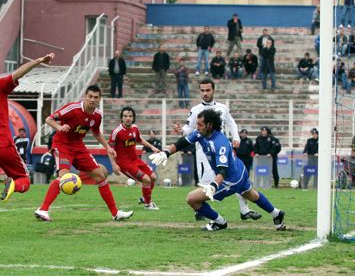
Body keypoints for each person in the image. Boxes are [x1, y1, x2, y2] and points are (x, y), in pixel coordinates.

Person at [151, 110, 285, 231]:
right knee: (251, 195)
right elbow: (182, 143)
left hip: (230, 179)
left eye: (200, 124)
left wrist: (213, 186)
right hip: (239, 169)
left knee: (192, 199)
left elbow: (222, 171)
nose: (197, 127)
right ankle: (276, 214)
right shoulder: (201, 133)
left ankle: (220, 222)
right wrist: (165, 153)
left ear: (209, 125)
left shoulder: (219, 143)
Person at [0, 53, 55, 238]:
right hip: (3, 145)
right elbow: (18, 74)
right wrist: (39, 60)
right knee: (24, 180)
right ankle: (13, 185)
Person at [34, 85, 133, 222]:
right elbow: (49, 119)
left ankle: (115, 213)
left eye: (95, 97)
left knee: (100, 175)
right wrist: (59, 127)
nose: (92, 100)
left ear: (99, 99)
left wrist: (107, 147)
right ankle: (43, 210)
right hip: (62, 144)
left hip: (78, 146)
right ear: (85, 97)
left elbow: (96, 132)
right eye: (90, 96)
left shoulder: (97, 115)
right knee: (63, 175)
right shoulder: (73, 109)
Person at [172, 78, 261, 221]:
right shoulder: (195, 110)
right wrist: (181, 130)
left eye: (208, 90)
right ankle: (205, 212)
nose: (205, 93)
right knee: (207, 184)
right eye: (202, 90)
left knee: (234, 176)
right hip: (203, 152)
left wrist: (236, 137)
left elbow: (231, 122)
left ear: (213, 90)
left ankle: (244, 210)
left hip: (222, 149)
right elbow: (189, 129)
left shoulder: (222, 108)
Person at [108, 107, 160, 210]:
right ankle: (148, 204)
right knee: (146, 179)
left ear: (133, 118)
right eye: (125, 116)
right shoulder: (117, 132)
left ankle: (145, 198)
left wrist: (152, 147)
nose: (128, 118)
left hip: (135, 160)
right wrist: (114, 165)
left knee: (153, 177)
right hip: (125, 164)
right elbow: (110, 149)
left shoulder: (135, 128)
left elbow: (140, 140)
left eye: (130, 116)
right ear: (121, 118)